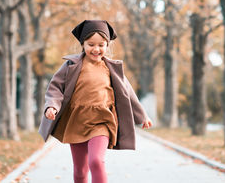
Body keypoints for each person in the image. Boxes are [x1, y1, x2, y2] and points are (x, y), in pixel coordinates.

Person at [39, 20, 153, 183]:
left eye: (101, 45)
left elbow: (128, 93)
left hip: (103, 121)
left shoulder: (112, 68)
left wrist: (142, 116)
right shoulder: (71, 66)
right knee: (80, 171)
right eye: (91, 44)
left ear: (107, 45)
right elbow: (55, 88)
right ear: (83, 44)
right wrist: (52, 106)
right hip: (77, 121)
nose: (96, 49)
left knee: (96, 161)